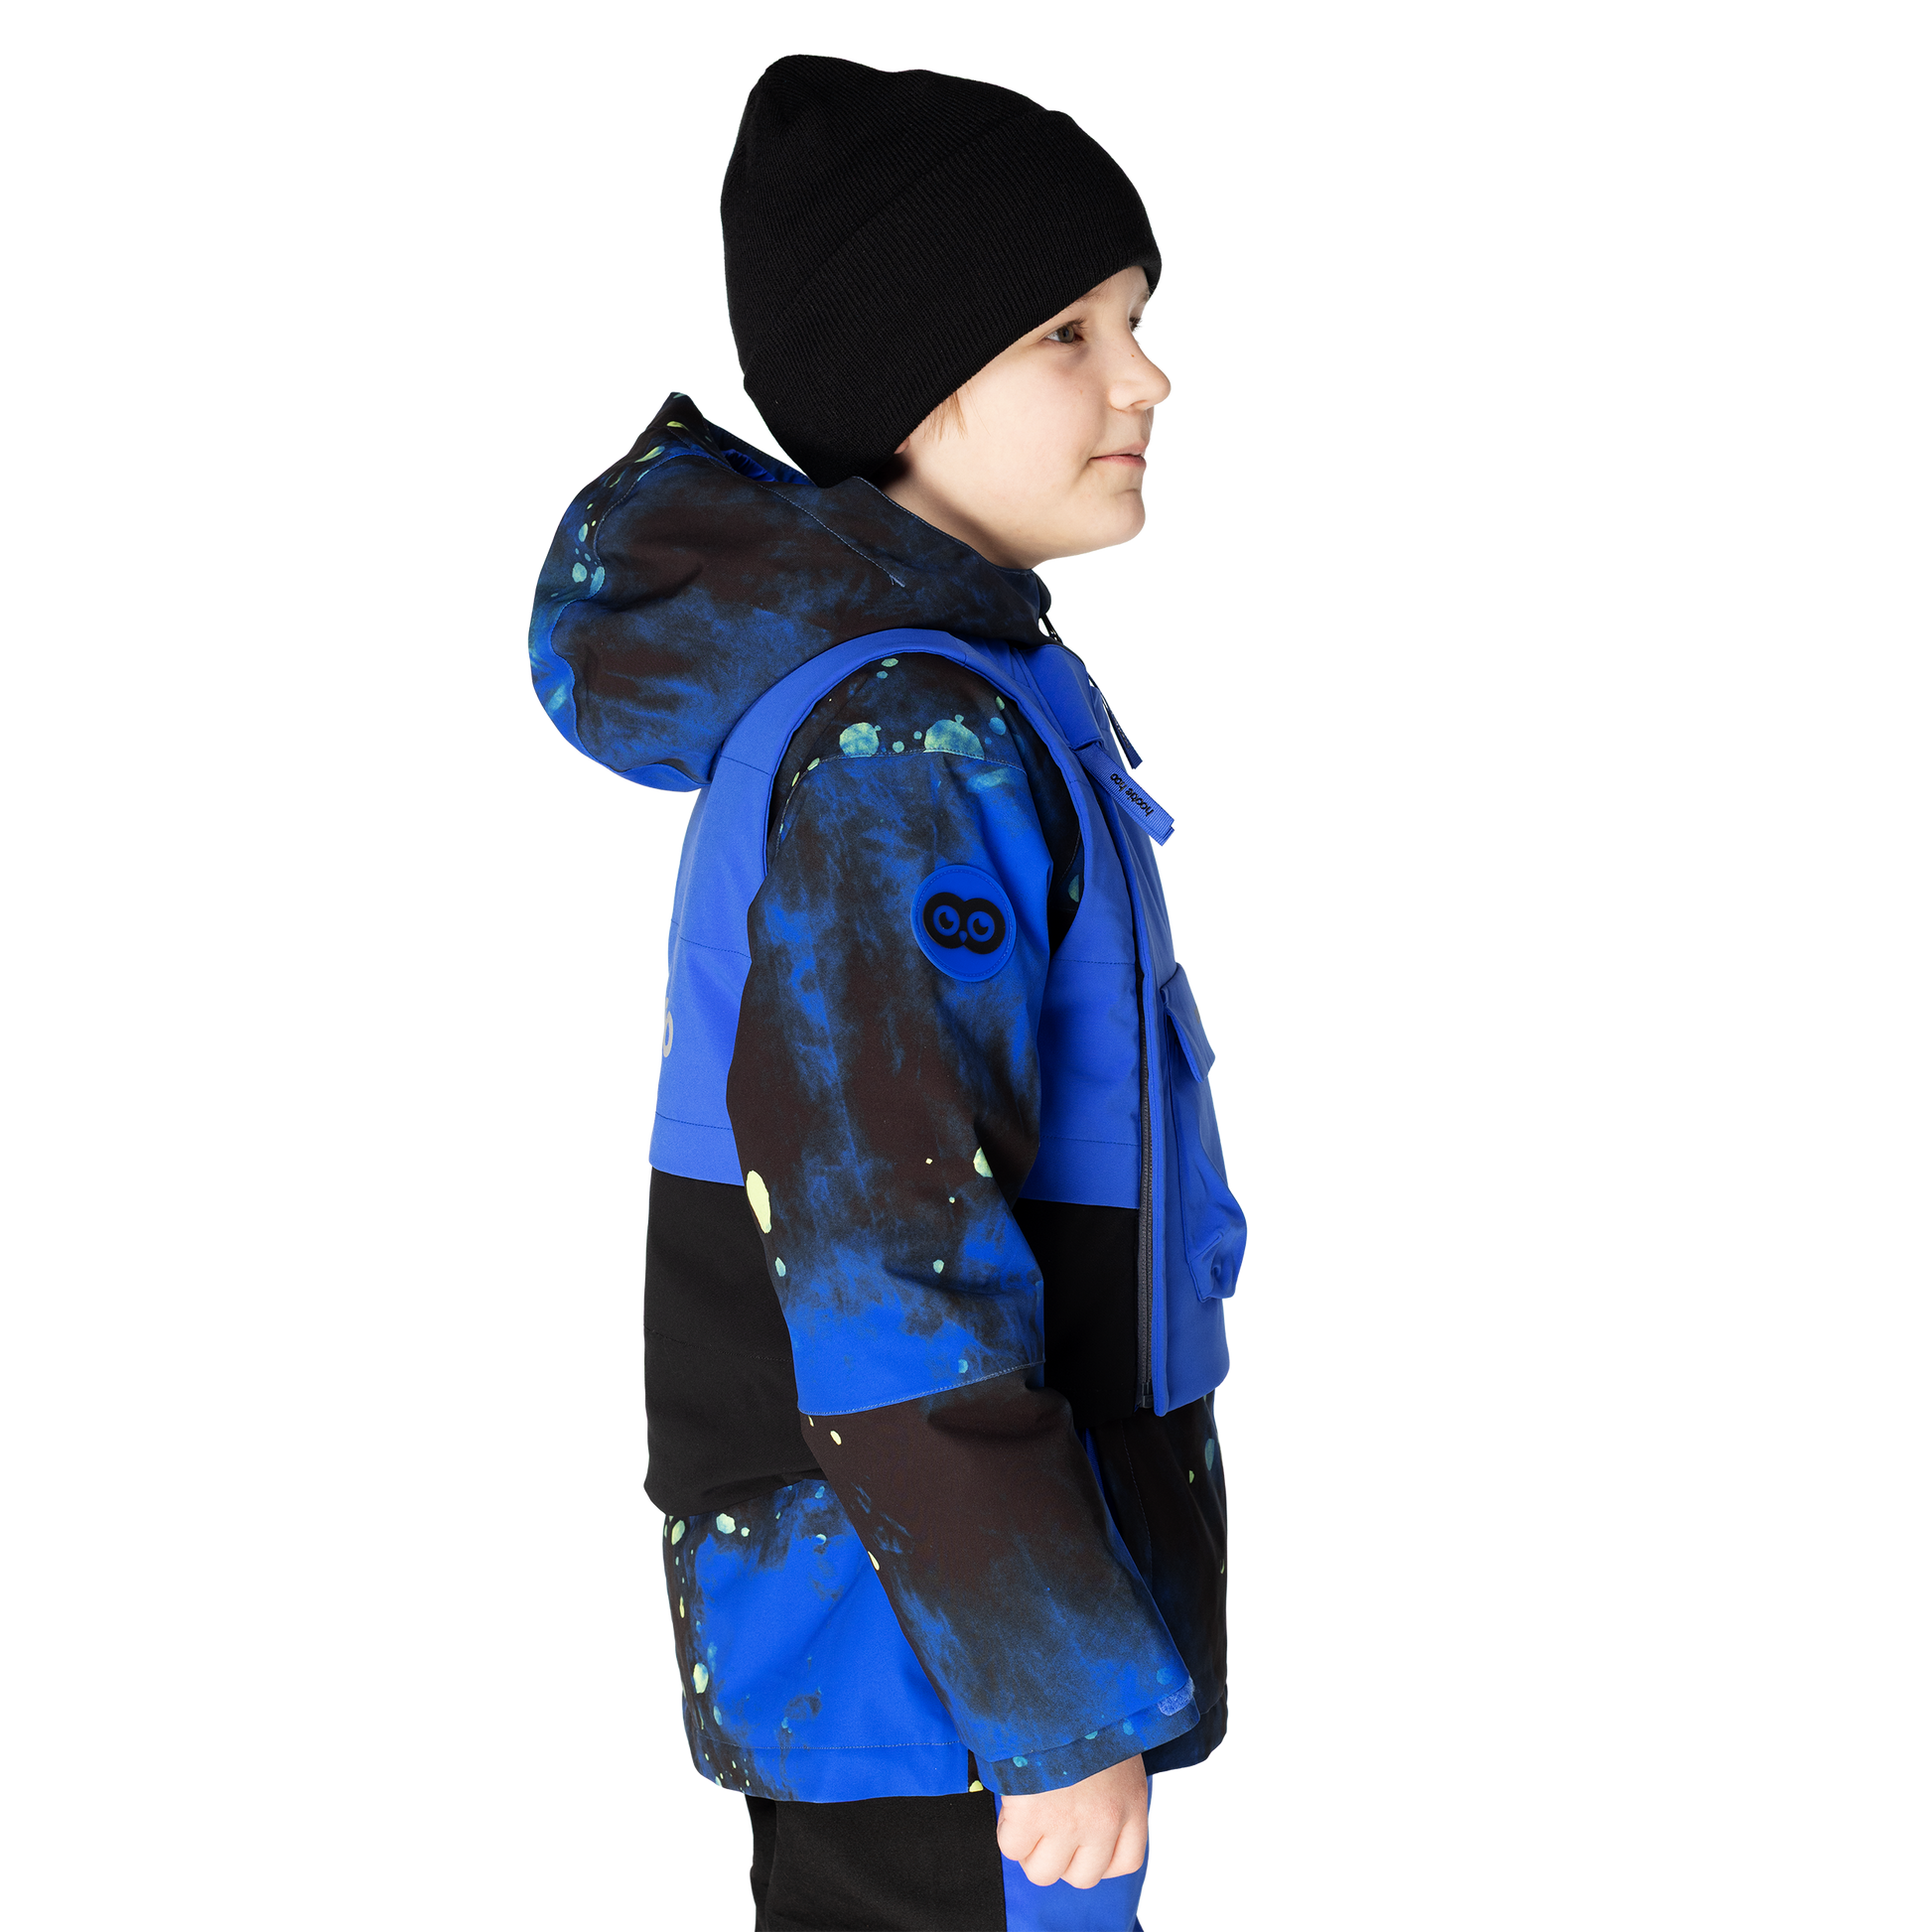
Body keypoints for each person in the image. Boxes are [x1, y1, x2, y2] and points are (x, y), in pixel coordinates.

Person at [527, 54, 1247, 1931]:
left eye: (1135, 322)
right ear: (916, 382)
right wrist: (1051, 1695)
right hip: (937, 1672)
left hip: (946, 1646)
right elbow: (883, 1261)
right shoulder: (901, 749)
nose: (1146, 379)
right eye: (1068, 334)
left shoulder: (964, 695)